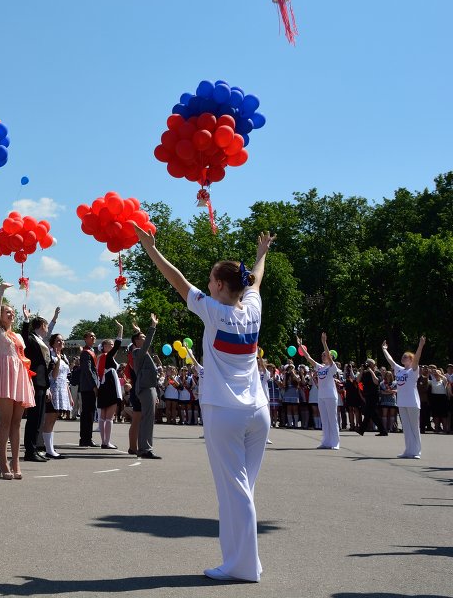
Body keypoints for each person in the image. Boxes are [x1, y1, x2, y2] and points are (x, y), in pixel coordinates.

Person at [134, 222, 274, 583]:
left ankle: (242, 566)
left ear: (220, 286)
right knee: (242, 490)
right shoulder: (253, 308)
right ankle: (245, 560)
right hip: (258, 412)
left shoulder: (214, 311)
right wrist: (262, 255)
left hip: (225, 412)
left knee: (235, 491)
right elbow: (256, 280)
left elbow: (176, 279)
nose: (207, 283)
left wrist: (150, 248)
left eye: (211, 279)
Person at [0, 282, 36, 480]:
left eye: (12, 312)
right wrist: (1, 292)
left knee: (16, 423)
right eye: (8, 312)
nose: (10, 314)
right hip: (5, 376)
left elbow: (23, 358)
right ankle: (3, 461)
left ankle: (16, 461)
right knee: (4, 422)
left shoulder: (18, 336)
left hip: (20, 376)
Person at [382, 336, 426, 459]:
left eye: (406, 356)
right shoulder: (399, 370)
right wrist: (384, 349)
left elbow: (417, 358)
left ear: (411, 360)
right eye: (403, 356)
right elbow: (390, 361)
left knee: (414, 427)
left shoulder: (413, 370)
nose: (403, 357)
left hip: (412, 402)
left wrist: (420, 346)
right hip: (401, 402)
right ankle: (408, 450)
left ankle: (417, 452)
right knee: (406, 427)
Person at [22, 308, 56, 463]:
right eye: (46, 325)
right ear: (42, 325)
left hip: (42, 383)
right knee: (34, 418)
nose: (47, 328)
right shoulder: (31, 338)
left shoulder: (42, 341)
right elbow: (23, 339)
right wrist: (26, 321)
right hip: (34, 381)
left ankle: (34, 448)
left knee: (39, 419)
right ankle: (30, 450)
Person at [296, 332, 341, 449]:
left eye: (325, 355)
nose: (323, 356)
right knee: (324, 420)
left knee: (332, 419)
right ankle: (326, 442)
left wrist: (324, 342)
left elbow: (329, 357)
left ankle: (335, 443)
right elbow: (308, 358)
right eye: (322, 355)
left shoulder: (332, 367)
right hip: (321, 396)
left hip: (331, 396)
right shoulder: (320, 367)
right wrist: (300, 346)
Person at [130, 313, 160, 459]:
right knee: (147, 419)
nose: (144, 339)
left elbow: (144, 342)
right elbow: (145, 342)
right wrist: (152, 327)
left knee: (148, 418)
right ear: (136, 341)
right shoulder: (136, 352)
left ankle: (145, 447)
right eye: (141, 337)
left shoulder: (141, 351)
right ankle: (145, 449)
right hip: (145, 388)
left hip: (150, 388)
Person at [41, 332, 71, 459]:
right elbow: (53, 375)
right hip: (52, 389)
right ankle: (48, 449)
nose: (61, 343)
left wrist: (69, 396)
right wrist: (58, 361)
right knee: (49, 419)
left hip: (62, 390)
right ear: (52, 343)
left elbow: (66, 379)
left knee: (53, 420)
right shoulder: (50, 355)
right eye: (58, 340)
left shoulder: (64, 357)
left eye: (62, 341)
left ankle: (50, 448)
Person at [77, 331, 99, 446]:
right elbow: (88, 370)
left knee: (89, 413)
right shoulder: (86, 353)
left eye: (94, 336)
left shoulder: (91, 351)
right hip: (88, 387)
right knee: (88, 414)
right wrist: (94, 386)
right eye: (91, 336)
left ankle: (86, 438)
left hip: (88, 386)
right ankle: (86, 438)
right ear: (85, 339)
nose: (93, 337)